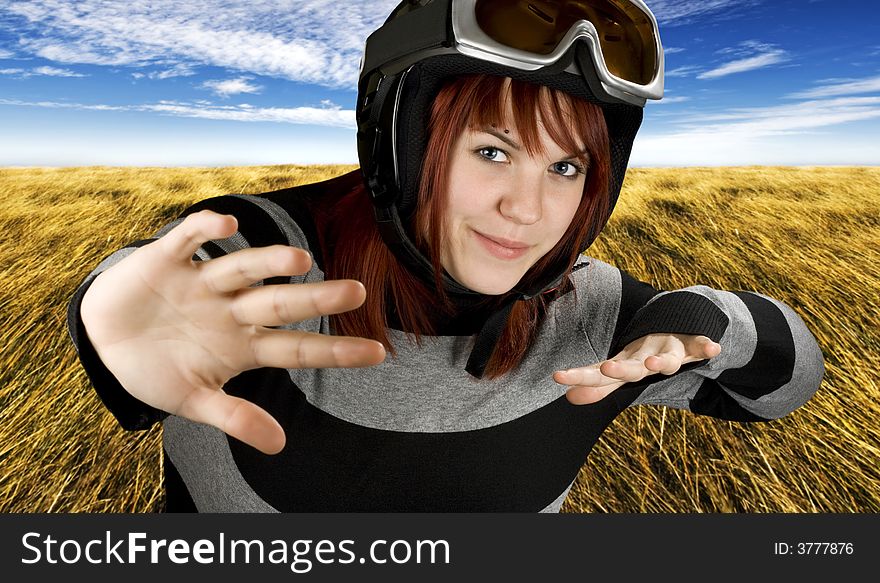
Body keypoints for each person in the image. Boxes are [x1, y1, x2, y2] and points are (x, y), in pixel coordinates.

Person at [67, 0, 824, 512]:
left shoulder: (594, 315)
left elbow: (790, 381)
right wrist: (107, 324)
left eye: (566, 168)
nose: (528, 211)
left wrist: (694, 316)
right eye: (493, 150)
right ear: (399, 144)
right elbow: (168, 281)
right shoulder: (274, 255)